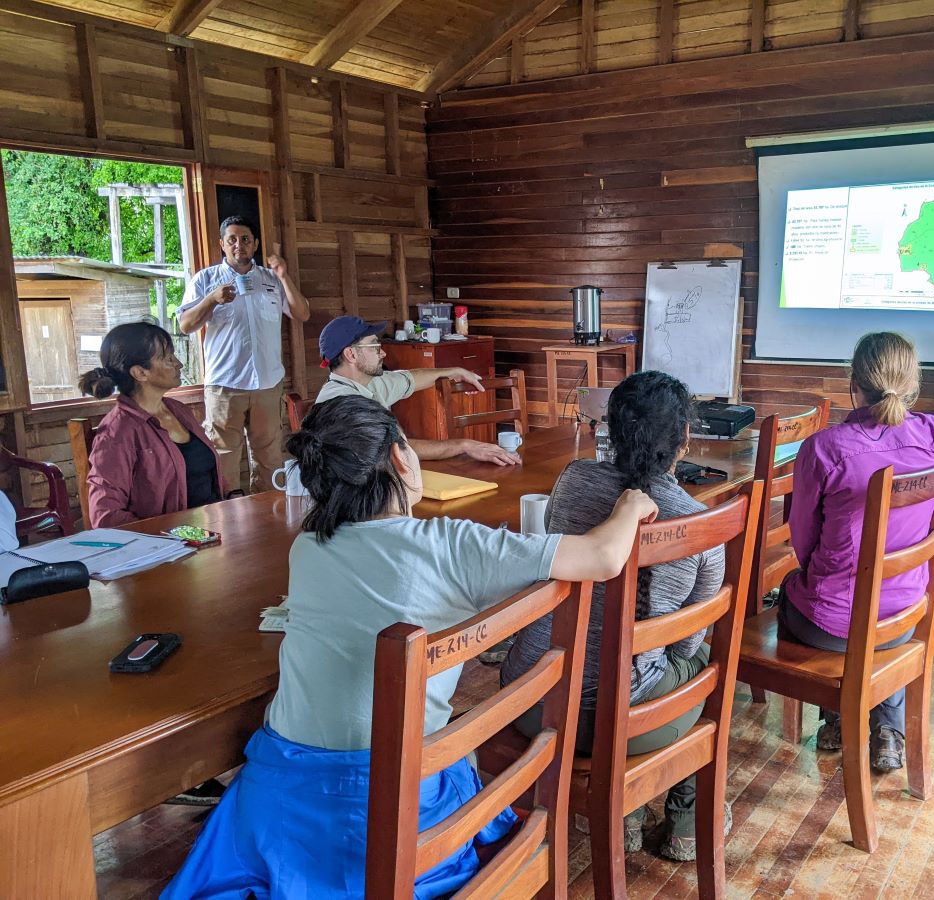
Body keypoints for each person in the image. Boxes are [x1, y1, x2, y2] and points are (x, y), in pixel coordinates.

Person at [162, 394, 658, 899]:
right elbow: (601, 557)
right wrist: (630, 504)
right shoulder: (450, 544)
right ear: (402, 458)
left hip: (283, 803)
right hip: (403, 806)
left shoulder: (308, 546)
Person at [502, 370, 725, 862]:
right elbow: (684, 646)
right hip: (624, 720)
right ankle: (685, 823)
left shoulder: (572, 481)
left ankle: (623, 816)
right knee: (708, 664)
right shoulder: (694, 521)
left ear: (612, 431)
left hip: (532, 701)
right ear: (685, 440)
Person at [782, 332, 934, 772]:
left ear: (853, 383)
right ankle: (888, 732)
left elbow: (803, 541)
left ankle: (836, 718)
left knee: (791, 590)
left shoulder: (823, 448)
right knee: (875, 621)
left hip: (831, 627)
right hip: (904, 618)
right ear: (914, 383)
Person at [178, 215, 311, 494]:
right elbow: (185, 325)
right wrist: (211, 300)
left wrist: (284, 275)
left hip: (268, 383)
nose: (239, 245)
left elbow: (302, 313)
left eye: (246, 239)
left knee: (270, 455)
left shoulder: (271, 278)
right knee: (223, 455)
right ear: (222, 245)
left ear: (255, 244)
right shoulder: (206, 280)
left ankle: (268, 517)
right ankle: (228, 520)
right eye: (232, 240)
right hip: (225, 384)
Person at [314, 315, 519, 465]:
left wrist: (453, 371)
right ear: (351, 354)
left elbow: (411, 378)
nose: (383, 353)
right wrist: (465, 445)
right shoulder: (342, 404)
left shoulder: (369, 382)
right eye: (375, 347)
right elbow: (397, 449)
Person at [78, 322, 225, 529]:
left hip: (212, 529)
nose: (179, 364)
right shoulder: (117, 432)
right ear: (140, 373)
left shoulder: (178, 410)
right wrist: (167, 536)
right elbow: (106, 516)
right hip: (170, 547)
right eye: (168, 358)